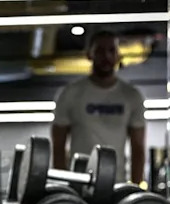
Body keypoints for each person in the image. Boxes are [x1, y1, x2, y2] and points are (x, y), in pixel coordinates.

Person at [51, 30, 147, 184]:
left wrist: (135, 187)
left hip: (117, 184)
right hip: (79, 183)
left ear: (118, 55)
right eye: (100, 50)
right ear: (90, 54)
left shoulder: (131, 96)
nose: (106, 56)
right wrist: (64, 185)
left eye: (111, 50)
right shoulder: (70, 94)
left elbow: (138, 148)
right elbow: (58, 146)